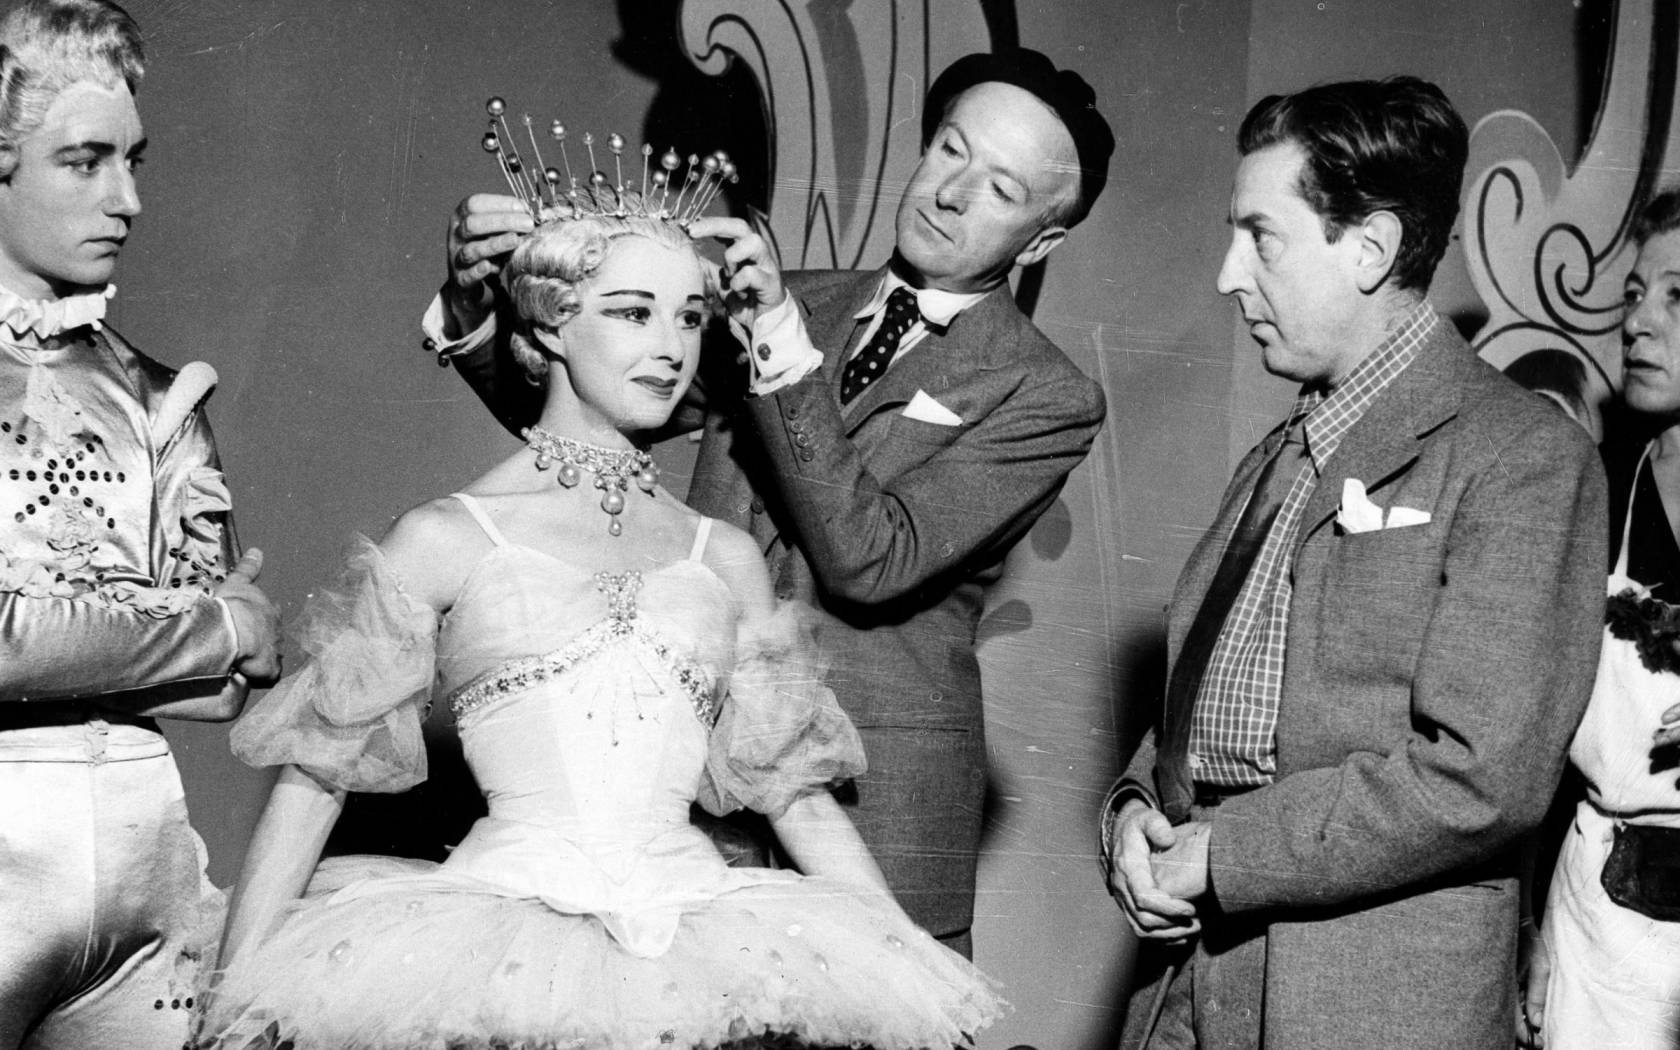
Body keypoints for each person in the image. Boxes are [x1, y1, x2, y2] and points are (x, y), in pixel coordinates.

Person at [204, 204, 1004, 1050]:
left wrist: (914, 977)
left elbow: (797, 799)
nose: (671, 346)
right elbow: (314, 782)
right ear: (550, 325)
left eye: (691, 317)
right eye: (631, 311)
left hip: (697, 941)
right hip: (495, 951)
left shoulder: (722, 555)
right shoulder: (444, 535)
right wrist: (231, 1000)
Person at [424, 47, 1114, 956]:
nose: (950, 192)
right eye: (950, 150)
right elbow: (587, 406)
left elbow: (873, 560)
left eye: (1000, 189)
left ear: (1042, 240)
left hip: (878, 804)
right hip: (692, 782)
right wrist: (479, 305)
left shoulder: (1045, 392)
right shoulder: (798, 303)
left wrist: (780, 342)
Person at [1099, 76, 1607, 1049]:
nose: (1225, 276)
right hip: (1187, 982)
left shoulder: (1521, 457)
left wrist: (1225, 854)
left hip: (1365, 1001)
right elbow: (1194, 716)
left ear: (1369, 247)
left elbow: (1481, 776)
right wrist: (1131, 819)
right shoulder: (1278, 455)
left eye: (1262, 237)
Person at [0, 1, 282, 1047]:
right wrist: (211, 623)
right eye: (84, 161)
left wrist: (202, 642)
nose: (126, 198)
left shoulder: (158, 394)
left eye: (135, 161)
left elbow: (226, 693)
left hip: (145, 877)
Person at [1520, 188, 1680, 1048]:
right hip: (1599, 923)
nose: (1639, 324)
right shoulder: (1593, 489)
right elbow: (1532, 745)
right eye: (1632, 296)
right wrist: (1529, 934)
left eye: (1677, 297)